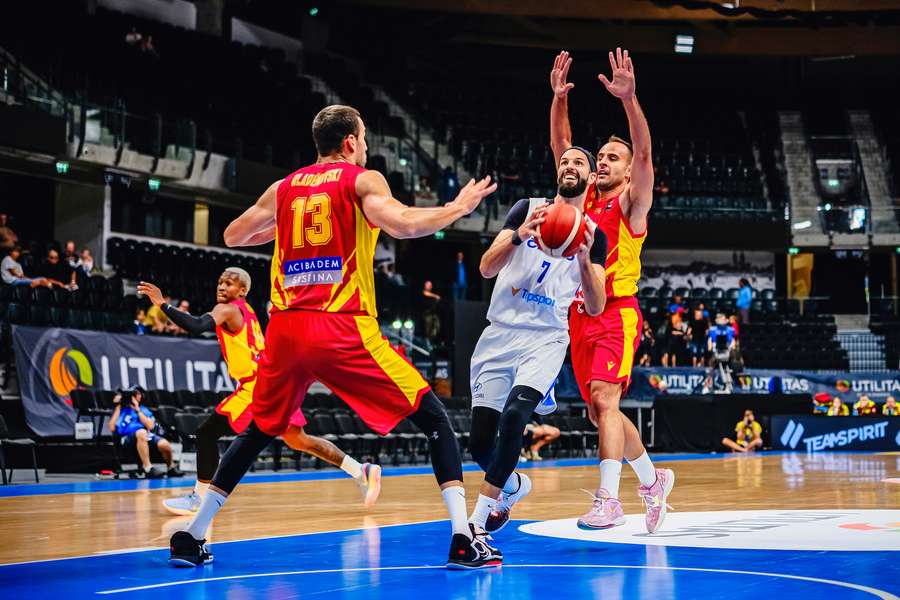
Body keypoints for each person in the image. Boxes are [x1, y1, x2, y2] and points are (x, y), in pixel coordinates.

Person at [169, 105, 501, 570]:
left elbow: (234, 234)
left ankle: (193, 533)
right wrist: (458, 208)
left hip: (285, 329)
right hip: (339, 324)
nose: (365, 147)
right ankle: (464, 538)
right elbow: (405, 224)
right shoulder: (362, 180)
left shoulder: (284, 187)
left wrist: (287, 228)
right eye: (363, 139)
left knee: (260, 430)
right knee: (434, 418)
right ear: (349, 142)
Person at [550, 49, 674, 532]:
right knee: (603, 411)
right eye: (599, 155)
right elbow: (564, 149)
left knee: (604, 399)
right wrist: (559, 99)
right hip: (578, 314)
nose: (601, 161)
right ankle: (652, 479)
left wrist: (630, 98)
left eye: (611, 157)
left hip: (616, 313)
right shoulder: (579, 198)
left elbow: (643, 153)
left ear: (627, 172)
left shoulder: (631, 205)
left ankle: (609, 499)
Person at [137, 273, 380, 516]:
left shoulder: (227, 309)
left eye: (229, 283)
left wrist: (161, 303)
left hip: (256, 386)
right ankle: (360, 470)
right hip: (274, 381)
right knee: (299, 440)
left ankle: (198, 499)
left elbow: (198, 325)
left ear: (242, 291)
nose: (221, 286)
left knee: (206, 434)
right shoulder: (247, 310)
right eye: (220, 281)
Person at [468, 146, 608, 535]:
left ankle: (478, 522)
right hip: (499, 333)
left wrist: (582, 261)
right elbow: (484, 267)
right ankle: (513, 486)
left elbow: (596, 307)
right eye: (565, 161)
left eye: (579, 162)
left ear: (591, 178)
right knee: (480, 444)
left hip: (545, 338)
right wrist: (518, 235)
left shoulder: (595, 236)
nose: (569, 166)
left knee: (515, 417)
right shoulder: (526, 208)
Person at [108, 385, 182, 478]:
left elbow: (150, 426)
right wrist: (118, 406)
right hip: (126, 438)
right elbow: (112, 428)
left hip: (144, 436)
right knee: (141, 432)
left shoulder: (143, 409)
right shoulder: (120, 410)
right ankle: (148, 468)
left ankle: (171, 467)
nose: (136, 396)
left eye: (137, 393)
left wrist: (137, 409)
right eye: (134, 394)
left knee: (165, 444)